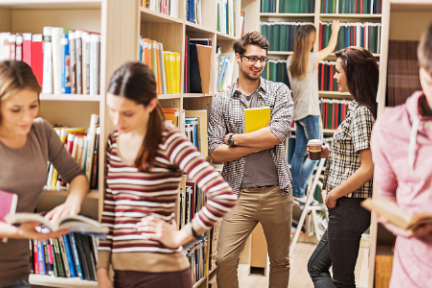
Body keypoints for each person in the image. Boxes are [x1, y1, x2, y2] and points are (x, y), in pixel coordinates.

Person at [96, 62, 236, 288]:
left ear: (151, 104)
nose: (117, 121)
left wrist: (180, 237)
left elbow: (223, 195)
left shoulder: (169, 139)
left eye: (127, 113)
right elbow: (111, 208)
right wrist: (102, 270)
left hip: (162, 275)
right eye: (112, 110)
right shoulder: (114, 141)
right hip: (121, 275)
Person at [209, 31, 293, 288]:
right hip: (238, 194)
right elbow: (214, 150)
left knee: (280, 260)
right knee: (224, 259)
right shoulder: (221, 101)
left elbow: (278, 133)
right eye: (252, 58)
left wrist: (234, 139)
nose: (258, 64)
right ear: (237, 57)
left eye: (262, 59)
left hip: (277, 192)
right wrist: (260, 140)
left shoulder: (279, 92)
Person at [0, 60, 89, 288]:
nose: (27, 117)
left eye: (33, 105)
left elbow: (76, 175)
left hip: (17, 272)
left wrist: (73, 202)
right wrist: (20, 232)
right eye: (15, 110)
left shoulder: (40, 131)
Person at [307, 46, 378, 288]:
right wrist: (330, 152)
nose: (334, 76)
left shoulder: (362, 113)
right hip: (345, 207)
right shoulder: (357, 108)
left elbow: (368, 168)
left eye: (338, 72)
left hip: (348, 206)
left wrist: (333, 194)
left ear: (353, 74)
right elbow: (356, 157)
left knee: (342, 281)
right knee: (316, 266)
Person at [370, 22, 432, 288]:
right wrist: (405, 223)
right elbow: (384, 199)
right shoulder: (389, 128)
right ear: (422, 73)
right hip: (412, 277)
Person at [287, 20, 340, 203]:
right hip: (310, 112)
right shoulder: (311, 59)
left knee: (299, 153)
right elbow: (331, 47)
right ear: (310, 41)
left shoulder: (290, 60)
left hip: (298, 112)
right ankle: (299, 191)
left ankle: (295, 191)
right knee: (317, 154)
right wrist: (335, 30)